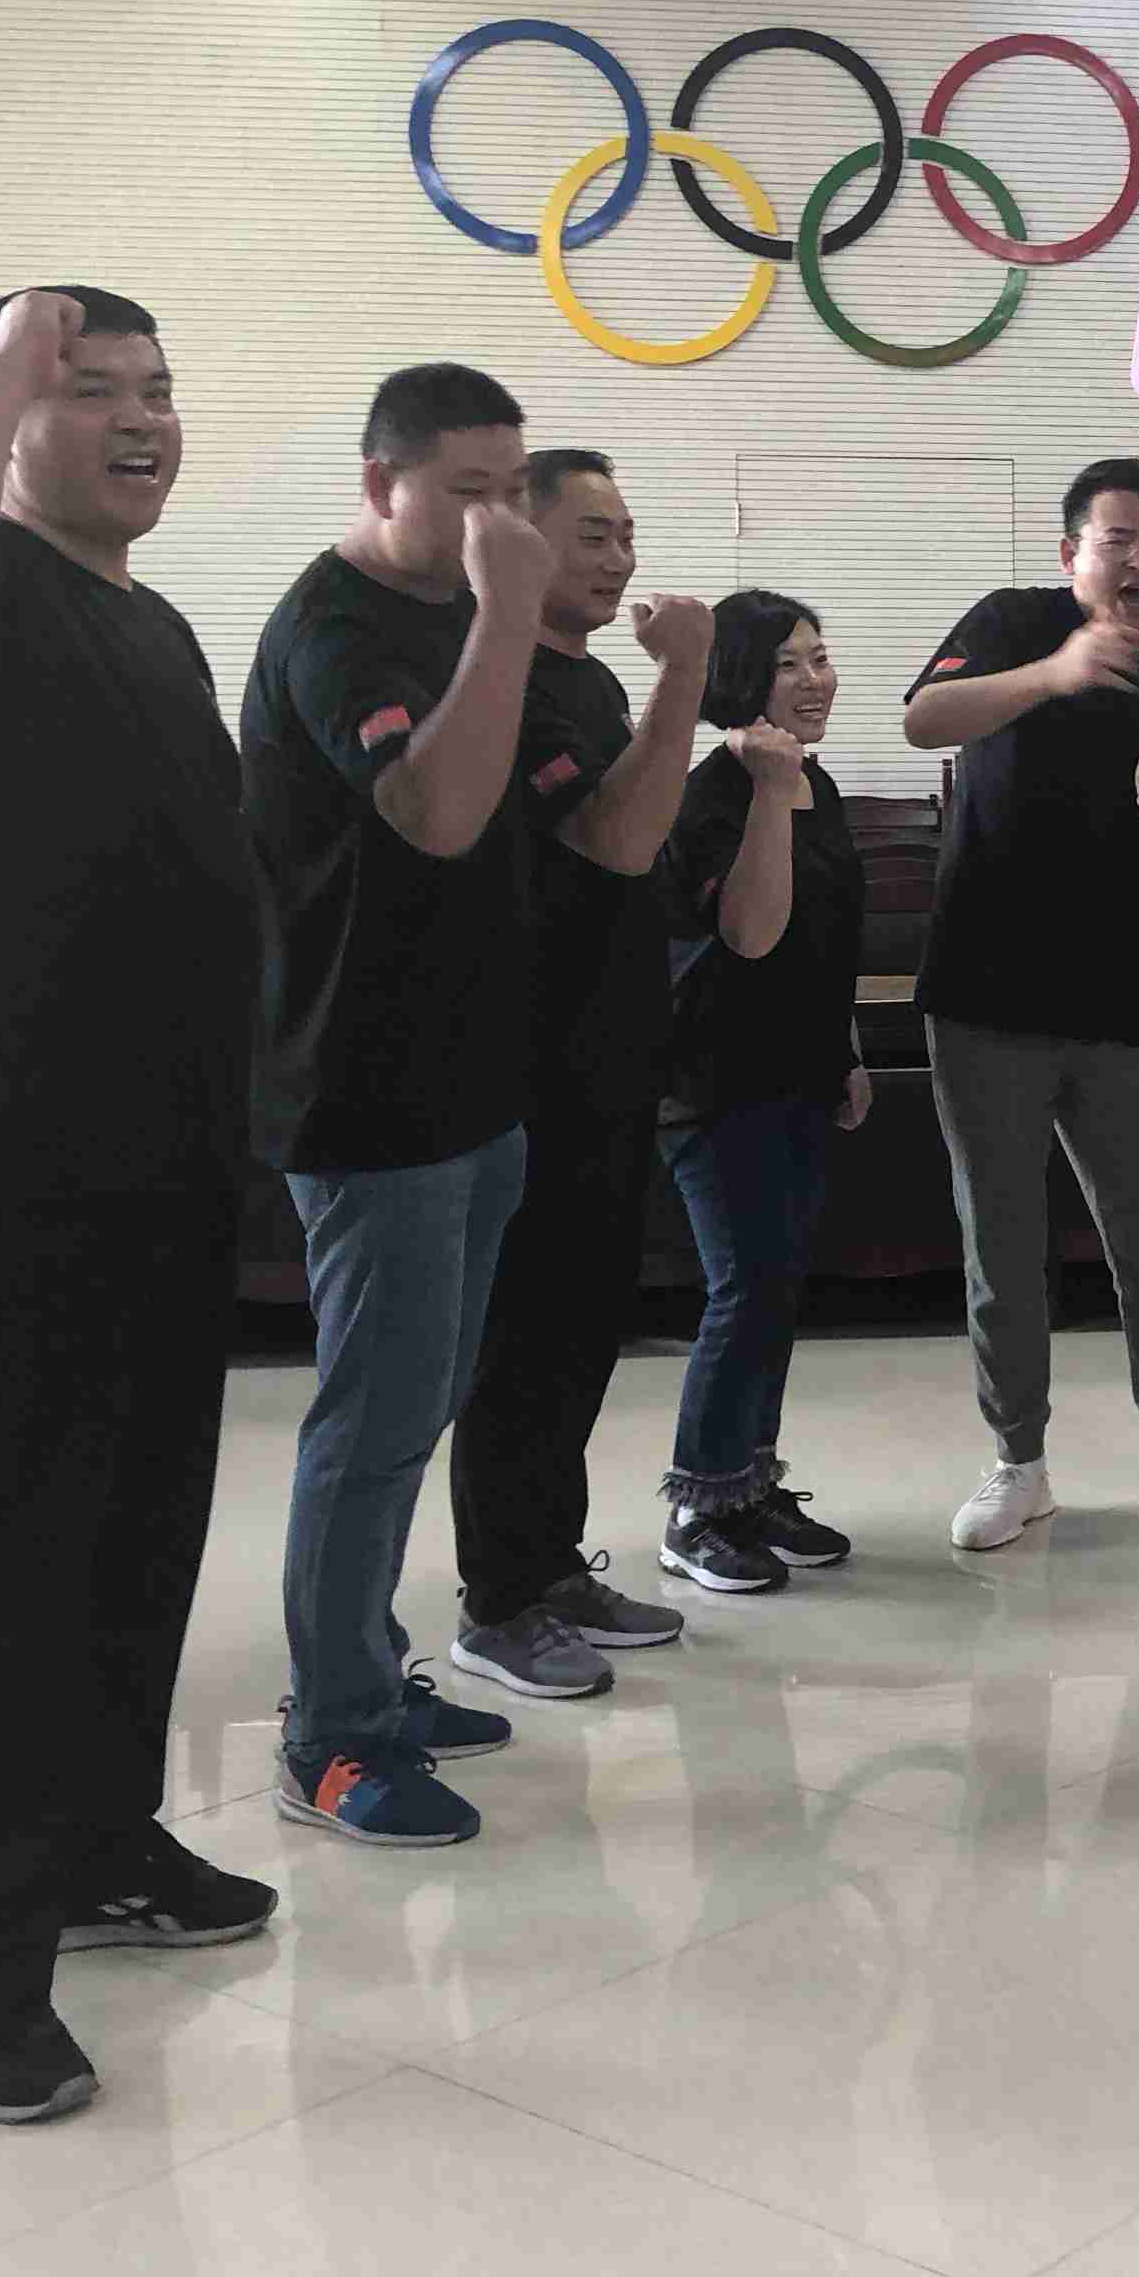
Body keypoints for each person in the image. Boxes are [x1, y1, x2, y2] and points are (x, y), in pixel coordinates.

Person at [0, 284, 271, 2128]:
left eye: (154, 387)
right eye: (85, 388)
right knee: (5, 1570)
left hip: (163, 1154)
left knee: (134, 1533)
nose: (136, 416)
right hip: (3, 1153)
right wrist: (10, 356)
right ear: (7, 417)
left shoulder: (152, 620)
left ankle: (101, 1842)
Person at [241, 362, 551, 1850]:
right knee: (370, 1420)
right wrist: (511, 612)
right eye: (468, 491)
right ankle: (330, 1738)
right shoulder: (334, 629)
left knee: (421, 1399)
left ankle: (370, 1670)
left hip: (470, 1076)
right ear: (382, 485)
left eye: (515, 488)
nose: (500, 520)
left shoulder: (454, 613)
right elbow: (434, 812)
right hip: (363, 1087)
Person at [900, 461, 1139, 1553]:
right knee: (1002, 1248)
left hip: (1119, 999)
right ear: (1073, 555)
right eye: (1119, 539)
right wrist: (1053, 673)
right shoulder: (1012, 623)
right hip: (984, 993)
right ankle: (1018, 1463)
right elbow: (924, 719)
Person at [441, 450, 708, 1699]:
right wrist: (687, 677)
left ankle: (550, 1564)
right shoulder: (507, 680)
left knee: (584, 1331)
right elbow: (615, 837)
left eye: (626, 534)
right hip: (527, 1063)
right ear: (521, 538)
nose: (619, 558)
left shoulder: (594, 680)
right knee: (524, 1337)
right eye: (591, 534)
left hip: (612, 1055)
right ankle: (496, 1600)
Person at [655, 591, 870, 1597]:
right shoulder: (709, 797)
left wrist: (847, 1053)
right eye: (790, 663)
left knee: (777, 1285)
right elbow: (751, 933)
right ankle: (697, 1507)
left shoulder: (814, 784)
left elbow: (828, 940)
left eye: (820, 657)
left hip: (799, 1073)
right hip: (714, 1082)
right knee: (742, 1286)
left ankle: (749, 1484)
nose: (815, 679)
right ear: (742, 677)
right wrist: (771, 794)